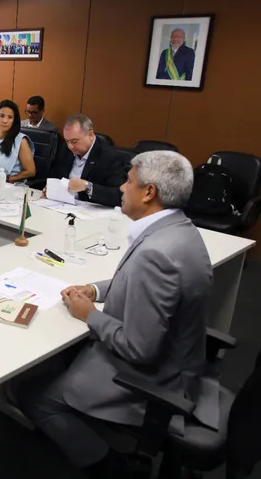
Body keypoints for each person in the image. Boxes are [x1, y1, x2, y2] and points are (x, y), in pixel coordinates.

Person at [19, 151, 214, 479]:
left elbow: (139, 349)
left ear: (149, 192)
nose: (122, 188)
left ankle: (113, 468)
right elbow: (134, 281)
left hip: (155, 378)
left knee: (33, 397)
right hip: (179, 358)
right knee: (64, 358)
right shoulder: (178, 230)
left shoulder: (156, 254)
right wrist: (95, 290)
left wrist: (89, 315)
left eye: (129, 181)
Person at [47, 114, 126, 207]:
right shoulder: (65, 150)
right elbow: (56, 176)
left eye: (74, 141)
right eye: (67, 141)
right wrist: (50, 189)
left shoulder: (110, 157)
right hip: (63, 205)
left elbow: (118, 195)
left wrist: (87, 186)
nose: (70, 146)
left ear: (90, 135)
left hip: (92, 209)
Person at [0, 100, 36, 182]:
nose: (5, 121)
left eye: (10, 117)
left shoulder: (20, 141)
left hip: (11, 184)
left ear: (14, 120)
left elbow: (30, 171)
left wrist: (5, 178)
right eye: (2, 116)